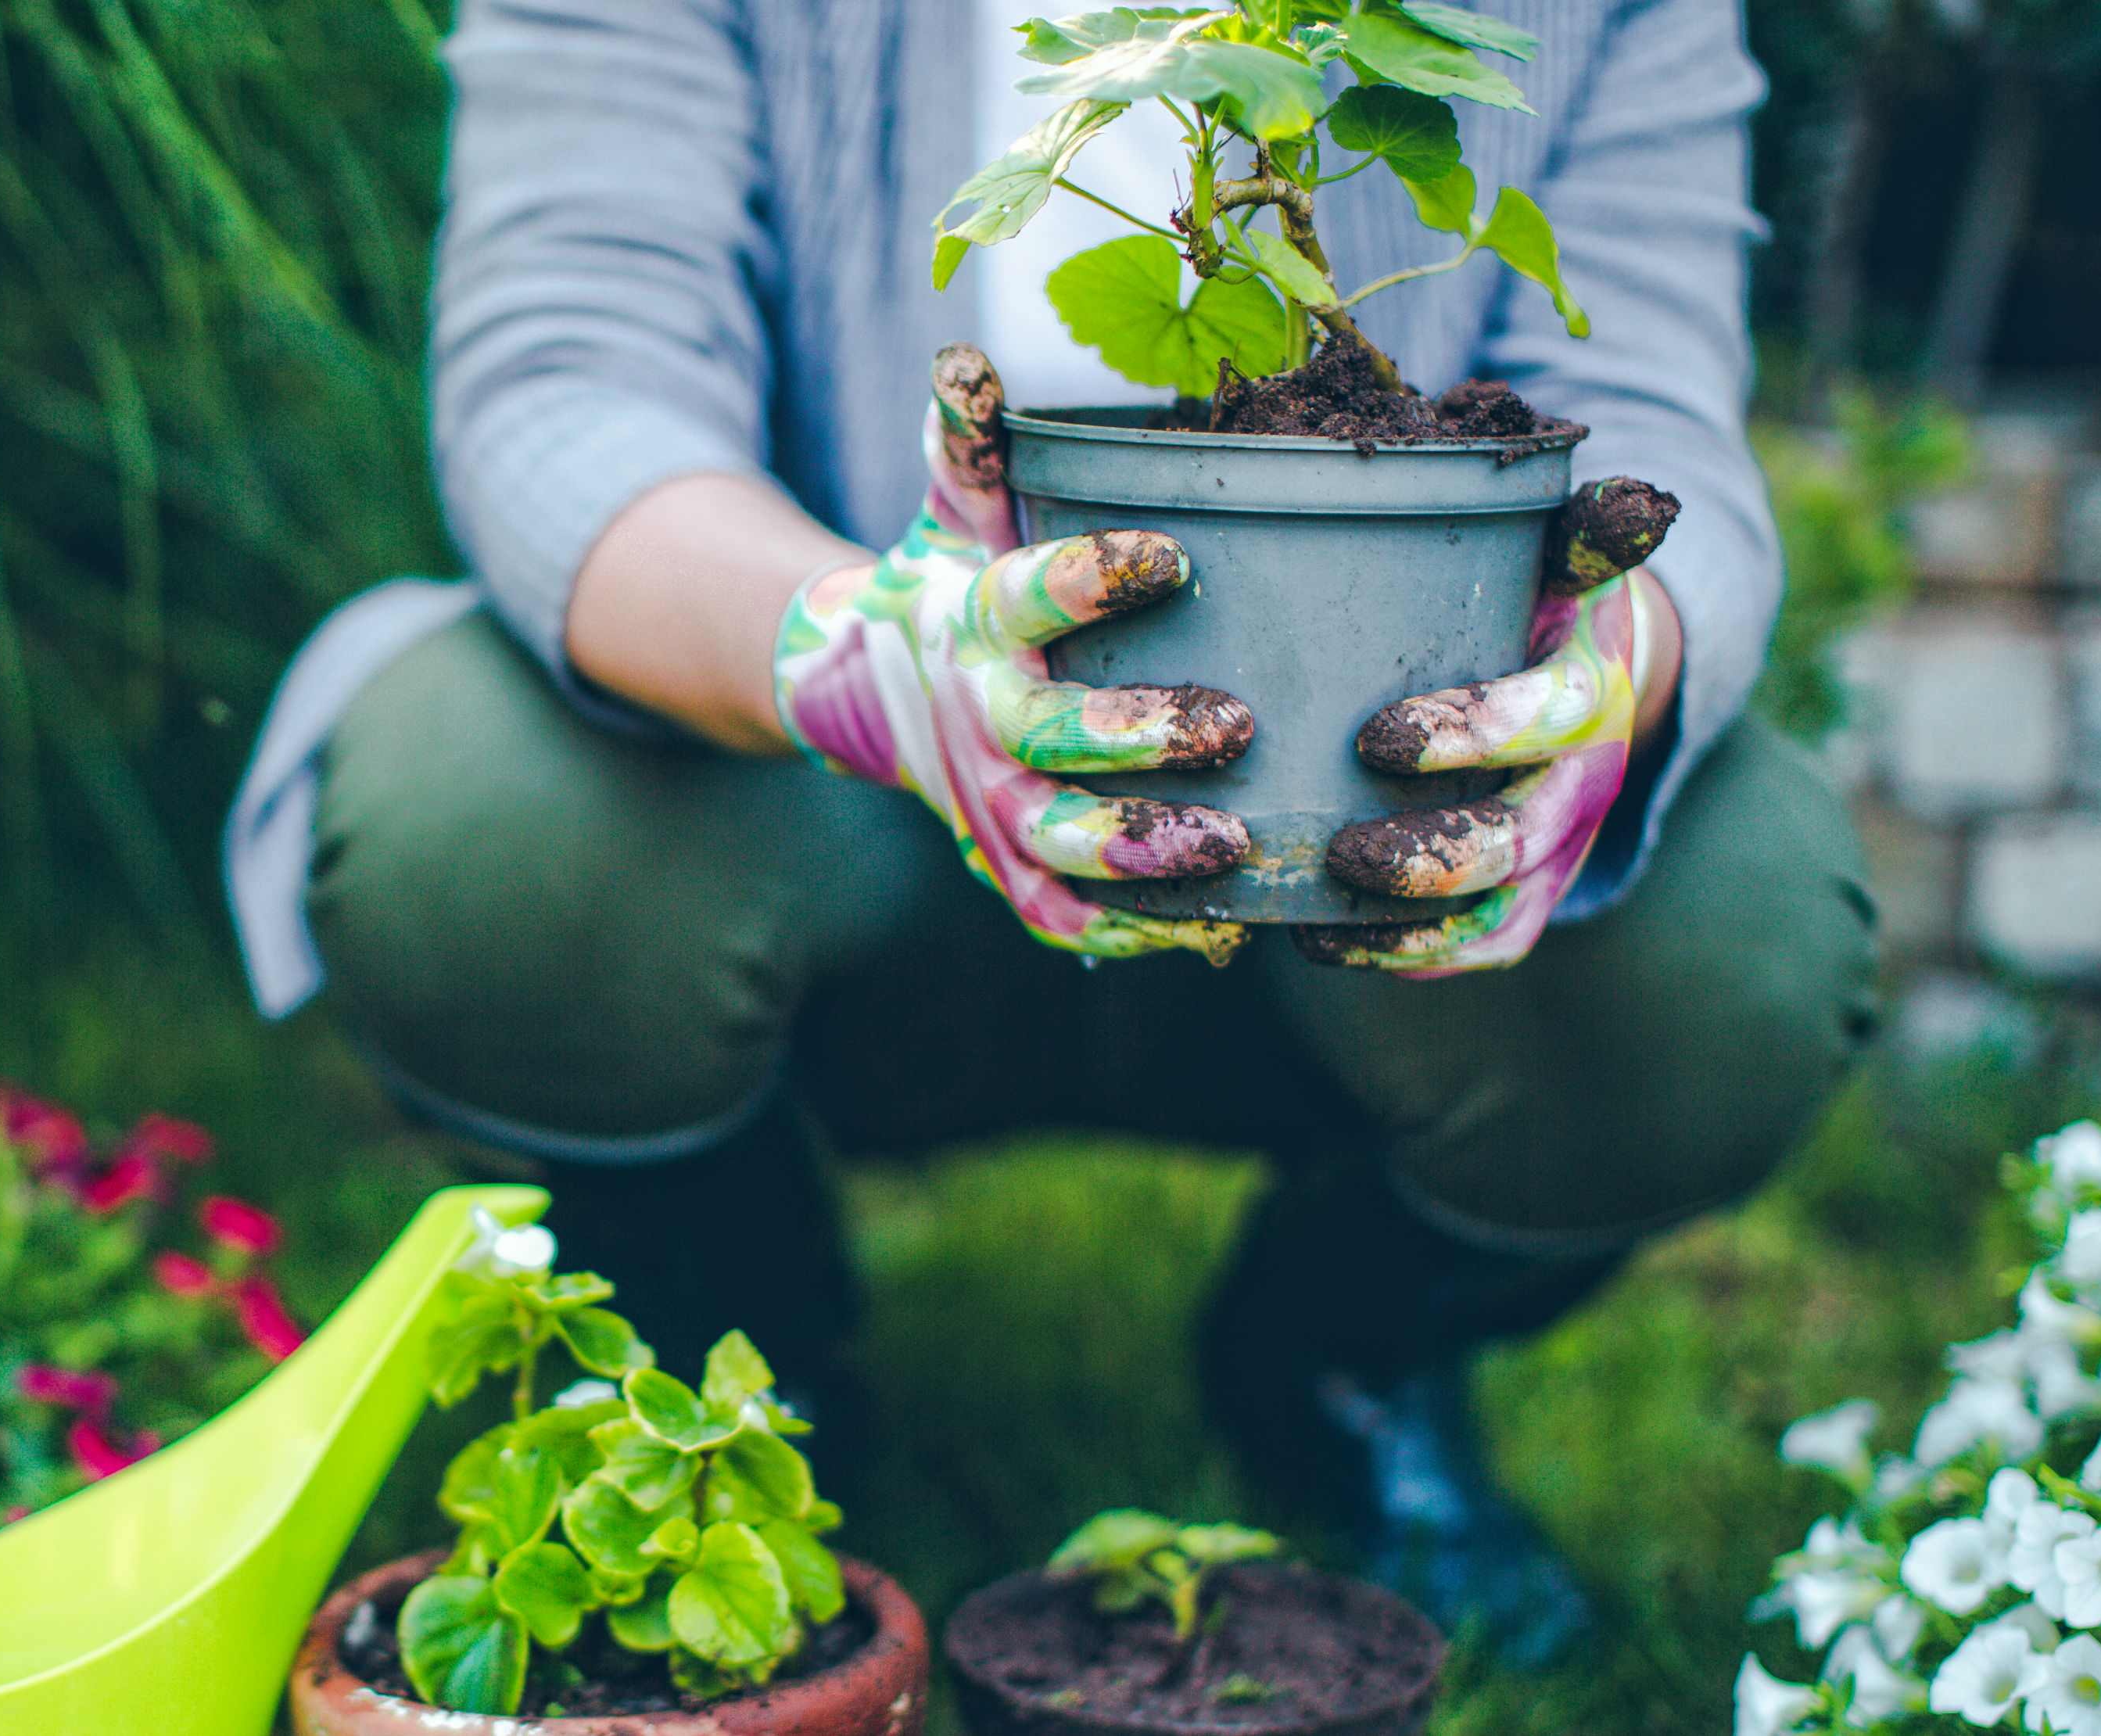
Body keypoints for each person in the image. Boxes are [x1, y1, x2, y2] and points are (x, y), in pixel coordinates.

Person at [222, 0, 1878, 1664]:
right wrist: (867, 658)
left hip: (1364, 818)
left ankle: (1340, 1352)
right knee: (471, 817)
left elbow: (1649, 409)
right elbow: (565, 383)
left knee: (1731, 936)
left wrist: (1610, 671)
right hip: (815, 807)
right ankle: (735, 1327)